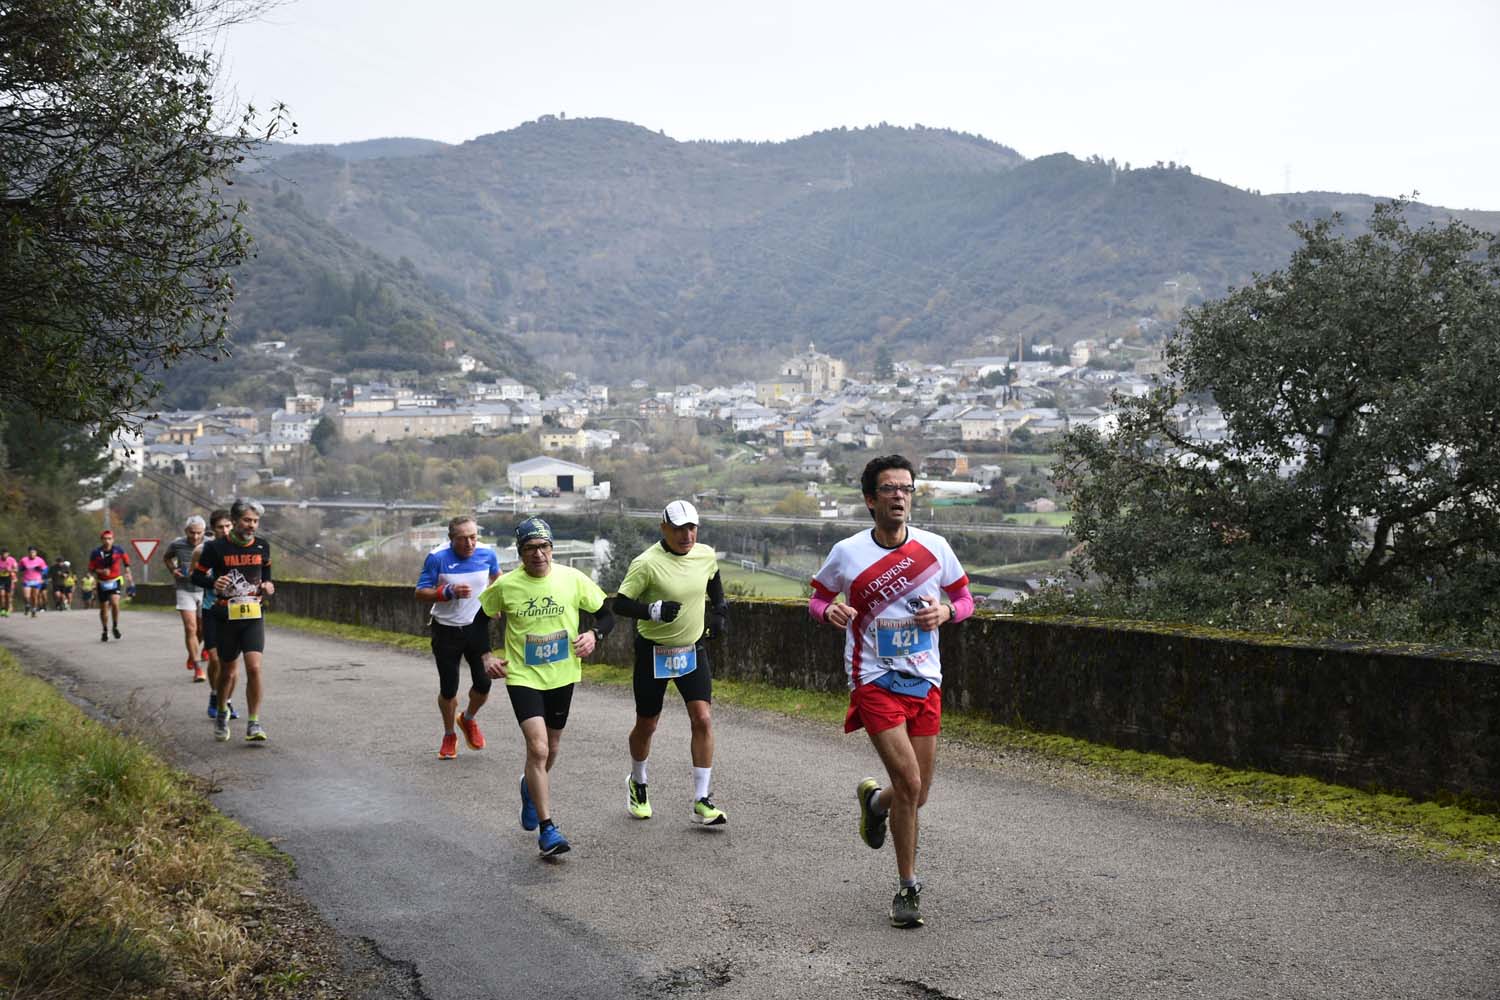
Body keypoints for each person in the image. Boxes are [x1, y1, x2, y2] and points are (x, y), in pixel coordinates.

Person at [808, 455, 974, 929]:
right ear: (870, 499)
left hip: (925, 679)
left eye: (906, 488)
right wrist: (829, 613)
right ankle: (908, 888)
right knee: (910, 783)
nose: (900, 496)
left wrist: (946, 614)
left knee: (914, 795)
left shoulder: (935, 548)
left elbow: (965, 600)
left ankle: (873, 803)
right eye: (889, 489)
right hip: (873, 677)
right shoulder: (848, 552)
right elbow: (817, 598)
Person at [477, 517, 613, 857]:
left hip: (563, 674)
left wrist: (594, 635)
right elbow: (478, 621)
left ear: (551, 548)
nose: (538, 554)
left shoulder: (572, 579)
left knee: (551, 748)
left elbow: (607, 613)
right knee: (537, 749)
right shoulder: (507, 586)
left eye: (543, 547)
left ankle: (529, 788)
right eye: (529, 549)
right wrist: (485, 656)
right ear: (520, 553)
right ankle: (548, 828)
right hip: (523, 675)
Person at [610, 500, 730, 826]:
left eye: (691, 527)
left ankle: (702, 800)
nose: (686, 535)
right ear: (664, 528)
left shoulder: (704, 553)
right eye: (678, 528)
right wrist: (652, 610)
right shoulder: (646, 563)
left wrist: (719, 611)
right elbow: (620, 604)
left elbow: (714, 579)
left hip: (692, 650)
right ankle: (638, 780)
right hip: (654, 652)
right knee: (648, 725)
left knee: (703, 718)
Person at [414, 515, 501, 759]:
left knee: (484, 683)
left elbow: (498, 578)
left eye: (473, 537)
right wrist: (447, 592)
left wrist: (496, 602)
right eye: (463, 539)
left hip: (477, 628)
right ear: (451, 539)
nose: (470, 544)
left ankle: (468, 718)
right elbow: (420, 593)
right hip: (446, 629)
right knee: (449, 688)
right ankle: (449, 734)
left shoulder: (487, 553)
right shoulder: (437, 557)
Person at [192, 499, 273, 743]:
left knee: (255, 668)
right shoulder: (216, 548)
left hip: (253, 615)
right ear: (236, 521)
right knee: (227, 672)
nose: (252, 525)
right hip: (226, 616)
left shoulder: (262, 546)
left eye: (255, 521)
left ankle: (254, 722)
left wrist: (268, 586)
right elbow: (196, 575)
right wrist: (212, 583)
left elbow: (266, 576)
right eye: (247, 520)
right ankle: (221, 713)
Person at [197, 510, 237, 722]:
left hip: (235, 610)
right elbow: (195, 578)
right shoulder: (203, 550)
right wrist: (213, 583)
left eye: (228, 526)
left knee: (231, 663)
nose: (225, 531)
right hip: (211, 607)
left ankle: (227, 702)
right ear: (213, 530)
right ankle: (215, 696)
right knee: (214, 659)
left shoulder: (239, 550)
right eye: (221, 527)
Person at [163, 516, 208, 680]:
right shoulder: (178, 544)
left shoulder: (210, 543)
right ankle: (198, 668)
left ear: (204, 531)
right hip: (185, 589)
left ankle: (193, 652)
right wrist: (173, 570)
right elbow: (167, 557)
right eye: (191, 532)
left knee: (203, 630)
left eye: (198, 533)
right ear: (185, 531)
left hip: (205, 590)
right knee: (191, 628)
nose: (195, 537)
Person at [88, 530, 134, 640]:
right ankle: (105, 630)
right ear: (101, 540)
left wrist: (128, 571)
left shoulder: (118, 550)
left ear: (113, 540)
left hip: (115, 580)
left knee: (114, 602)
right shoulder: (96, 553)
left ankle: (115, 626)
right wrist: (101, 571)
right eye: (105, 539)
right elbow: (91, 569)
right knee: (103, 608)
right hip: (102, 582)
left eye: (109, 539)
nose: (107, 541)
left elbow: (126, 560)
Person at [19, 546, 48, 618]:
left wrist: (41, 570)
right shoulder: (23, 560)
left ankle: (34, 610)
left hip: (37, 581)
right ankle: (27, 605)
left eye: (33, 552)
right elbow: (19, 568)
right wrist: (22, 568)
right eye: (30, 552)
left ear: (36, 553)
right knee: (26, 596)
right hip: (27, 580)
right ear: (28, 553)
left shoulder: (40, 560)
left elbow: (46, 570)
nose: (32, 554)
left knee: (34, 597)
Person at [0, 547, 17, 617]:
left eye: (6, 554)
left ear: (8, 554)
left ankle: (7, 610)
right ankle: (2, 609)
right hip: (0, 578)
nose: (5, 555)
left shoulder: (12, 560)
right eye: (3, 554)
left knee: (7, 595)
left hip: (8, 578)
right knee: (1, 594)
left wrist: (10, 570)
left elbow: (16, 569)